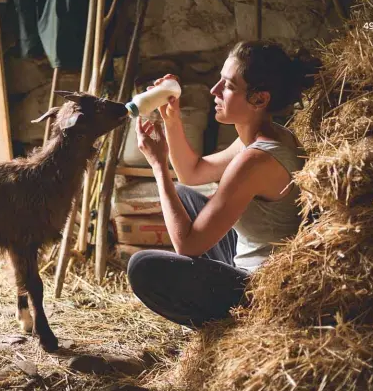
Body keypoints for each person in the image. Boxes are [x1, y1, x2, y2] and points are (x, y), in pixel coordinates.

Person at [127, 40, 321, 328]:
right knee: (182, 194)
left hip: (259, 289)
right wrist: (172, 120)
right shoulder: (263, 136)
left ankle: (223, 328)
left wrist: (158, 167)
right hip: (246, 253)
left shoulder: (256, 159)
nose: (214, 91)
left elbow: (187, 246)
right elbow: (192, 173)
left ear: (259, 99)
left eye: (228, 86)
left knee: (142, 267)